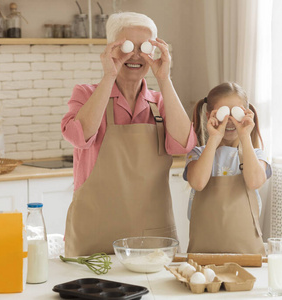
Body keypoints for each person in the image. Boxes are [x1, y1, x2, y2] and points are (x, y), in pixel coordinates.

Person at [61, 12, 197, 256]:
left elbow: (183, 144)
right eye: (126, 46)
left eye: (143, 47)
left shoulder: (159, 102)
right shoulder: (86, 94)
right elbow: (78, 136)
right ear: (111, 49)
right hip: (93, 233)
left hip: (152, 236)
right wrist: (109, 76)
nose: (135, 55)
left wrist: (164, 79)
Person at [184, 82, 272, 254]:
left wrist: (245, 135)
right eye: (224, 113)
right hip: (204, 253)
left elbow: (254, 182)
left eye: (236, 113)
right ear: (210, 115)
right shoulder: (198, 154)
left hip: (246, 253)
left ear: (247, 114)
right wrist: (214, 138)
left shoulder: (255, 155)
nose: (230, 121)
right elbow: (198, 182)